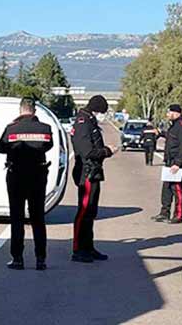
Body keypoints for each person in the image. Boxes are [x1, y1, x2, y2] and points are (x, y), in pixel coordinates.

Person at [0, 98, 54, 270]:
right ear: (34, 111)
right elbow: (48, 146)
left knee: (17, 217)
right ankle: (40, 259)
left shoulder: (11, 129)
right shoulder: (45, 129)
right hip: (37, 175)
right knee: (38, 218)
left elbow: (0, 147)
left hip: (16, 176)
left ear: (21, 110)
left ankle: (18, 259)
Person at [71, 95, 117, 263]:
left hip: (94, 172)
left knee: (91, 212)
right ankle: (77, 249)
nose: (102, 116)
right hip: (87, 173)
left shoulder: (90, 121)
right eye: (102, 112)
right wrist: (107, 151)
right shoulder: (83, 123)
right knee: (84, 211)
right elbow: (87, 152)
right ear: (96, 109)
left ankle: (88, 247)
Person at [151, 105, 182, 224]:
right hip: (169, 161)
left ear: (176, 113)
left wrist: (178, 163)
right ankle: (165, 212)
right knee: (166, 188)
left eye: (169, 112)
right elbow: (171, 138)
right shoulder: (174, 125)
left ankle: (178, 214)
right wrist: (161, 133)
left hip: (176, 163)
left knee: (177, 188)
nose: (167, 114)